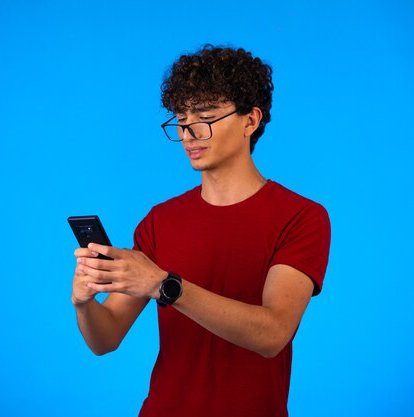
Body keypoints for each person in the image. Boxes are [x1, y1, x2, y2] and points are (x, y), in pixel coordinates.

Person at [71, 44, 331, 417]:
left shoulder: (301, 217)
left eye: (205, 116)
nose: (189, 132)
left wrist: (164, 285)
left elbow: (272, 334)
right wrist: (83, 303)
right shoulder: (160, 221)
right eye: (181, 118)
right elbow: (106, 338)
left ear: (250, 120)